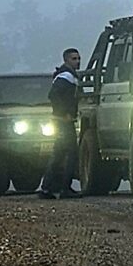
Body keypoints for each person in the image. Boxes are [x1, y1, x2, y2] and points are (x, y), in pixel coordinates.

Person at [38, 47, 85, 198]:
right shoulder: (66, 76)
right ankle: (65, 188)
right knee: (71, 154)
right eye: (74, 59)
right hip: (64, 121)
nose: (77, 61)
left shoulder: (67, 76)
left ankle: (47, 188)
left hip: (62, 120)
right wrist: (64, 113)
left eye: (78, 58)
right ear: (66, 60)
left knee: (58, 154)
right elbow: (53, 95)